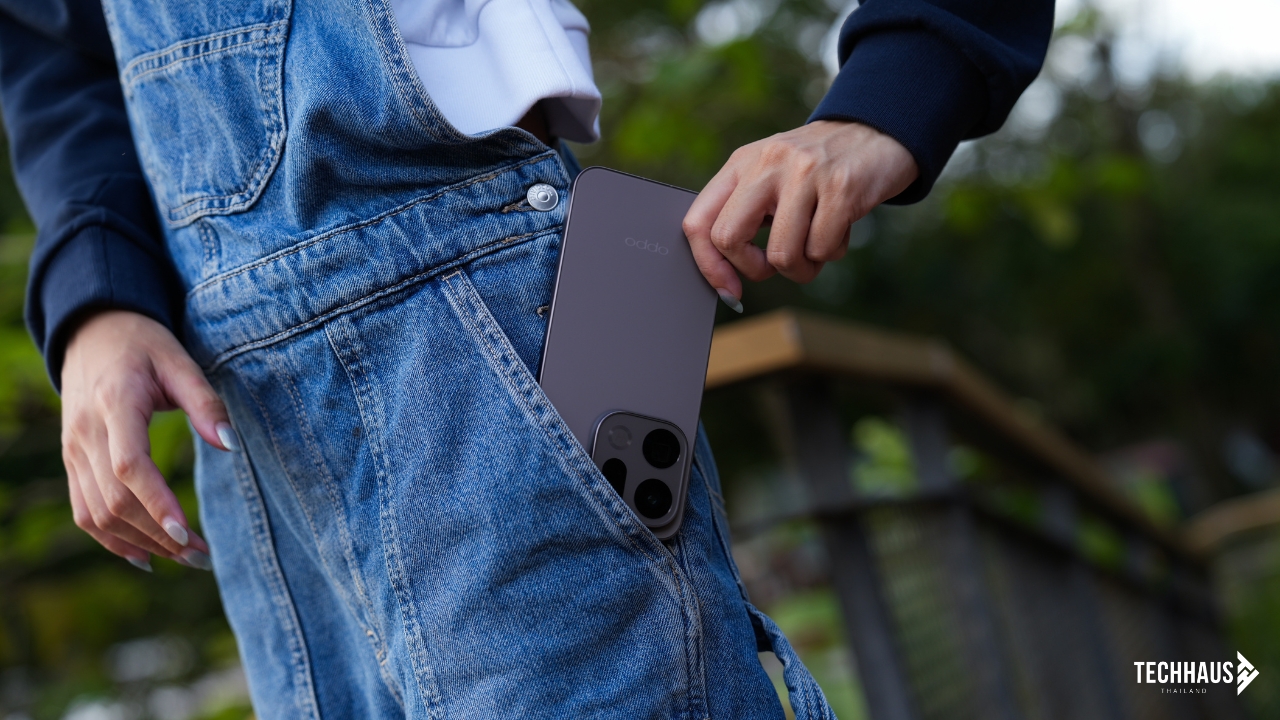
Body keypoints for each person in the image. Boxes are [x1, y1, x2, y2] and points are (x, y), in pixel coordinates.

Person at [0, 0, 1052, 717]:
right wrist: (98, 298)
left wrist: (898, 87)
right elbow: (50, 45)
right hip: (250, 436)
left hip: (474, 336)